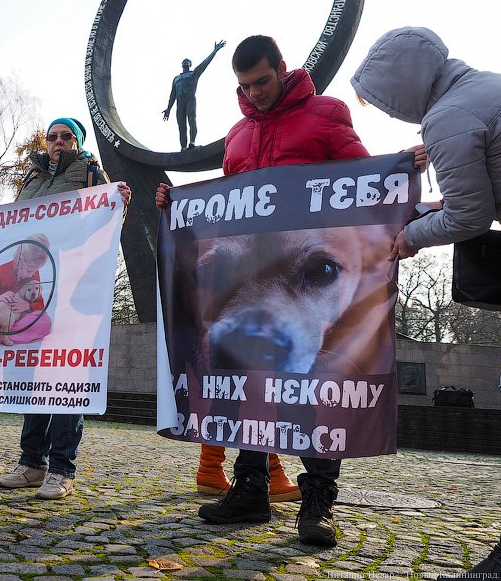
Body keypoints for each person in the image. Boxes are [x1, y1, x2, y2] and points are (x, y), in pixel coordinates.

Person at [156, 35, 425, 547]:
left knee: (313, 402)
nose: (254, 93)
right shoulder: (236, 135)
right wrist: (177, 203)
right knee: (243, 398)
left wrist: (401, 173)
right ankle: (250, 490)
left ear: (282, 68)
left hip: (305, 269)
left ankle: (317, 505)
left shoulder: (326, 114)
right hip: (243, 282)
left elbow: (363, 181)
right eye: (244, 86)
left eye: (261, 81)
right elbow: (225, 205)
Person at [352, 26, 501, 577]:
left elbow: (468, 215)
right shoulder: (492, 88)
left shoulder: (448, 117)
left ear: (402, 85)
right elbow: (478, 196)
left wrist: (409, 239)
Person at [0, 117, 131, 500]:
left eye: (66, 136)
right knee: (35, 377)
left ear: (78, 141)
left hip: (73, 287)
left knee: (67, 379)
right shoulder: (30, 178)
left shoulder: (91, 173)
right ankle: (31, 462)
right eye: (52, 137)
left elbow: (112, 223)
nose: (58, 142)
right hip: (33, 294)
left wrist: (122, 207)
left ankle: (61, 469)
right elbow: (10, 229)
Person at [162, 41, 226, 150]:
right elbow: (172, 95)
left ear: (190, 64)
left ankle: (192, 142)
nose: (185, 61)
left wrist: (214, 51)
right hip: (179, 102)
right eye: (184, 61)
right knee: (181, 126)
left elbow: (205, 63)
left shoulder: (194, 73)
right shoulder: (176, 78)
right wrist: (168, 109)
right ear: (181, 64)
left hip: (190, 99)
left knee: (192, 119)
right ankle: (183, 147)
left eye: (188, 61)